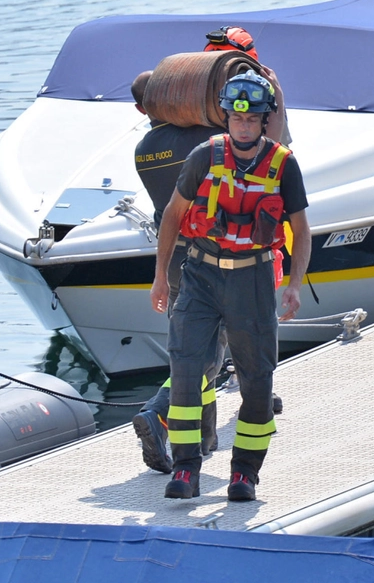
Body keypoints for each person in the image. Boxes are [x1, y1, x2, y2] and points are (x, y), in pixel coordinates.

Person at [148, 71, 309, 502]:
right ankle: (185, 469)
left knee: (258, 380)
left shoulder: (282, 165)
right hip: (200, 275)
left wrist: (294, 283)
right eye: (236, 118)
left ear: (262, 120)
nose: (242, 125)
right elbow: (172, 214)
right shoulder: (204, 156)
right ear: (226, 117)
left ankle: (245, 475)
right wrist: (161, 274)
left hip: (253, 278)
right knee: (184, 370)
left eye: (251, 118)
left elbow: (301, 229)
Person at [128, 70, 224, 474]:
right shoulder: (198, 139)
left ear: (139, 109)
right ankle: (157, 412)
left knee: (189, 347)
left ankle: (205, 437)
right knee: (205, 356)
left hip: (172, 257)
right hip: (209, 255)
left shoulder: (143, 149)